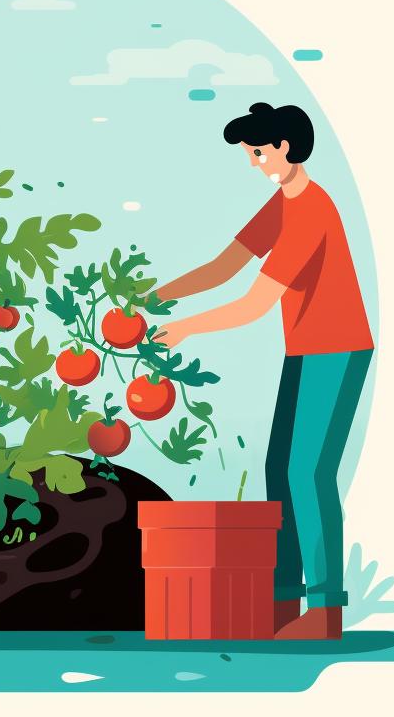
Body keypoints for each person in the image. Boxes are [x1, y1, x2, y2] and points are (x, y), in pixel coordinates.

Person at [152, 102, 374, 640]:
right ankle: (281, 604)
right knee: (280, 470)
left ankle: (324, 612)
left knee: (308, 474)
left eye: (257, 152)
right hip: (305, 349)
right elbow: (224, 266)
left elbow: (254, 303)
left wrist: (185, 328)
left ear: (287, 148)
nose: (252, 163)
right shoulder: (282, 203)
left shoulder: (312, 210)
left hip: (337, 351)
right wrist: (155, 297)